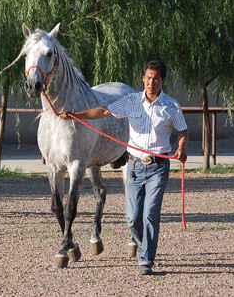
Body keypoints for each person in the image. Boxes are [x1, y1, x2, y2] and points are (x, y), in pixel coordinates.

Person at [60, 60, 188, 275]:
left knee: (150, 215)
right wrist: (76, 115)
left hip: (158, 167)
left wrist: (181, 148)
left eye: (156, 78)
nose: (151, 82)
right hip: (135, 168)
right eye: (148, 78)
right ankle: (144, 245)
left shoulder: (171, 106)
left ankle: (146, 259)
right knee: (132, 218)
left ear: (162, 81)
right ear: (143, 79)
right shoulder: (131, 102)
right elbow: (103, 111)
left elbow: (182, 131)